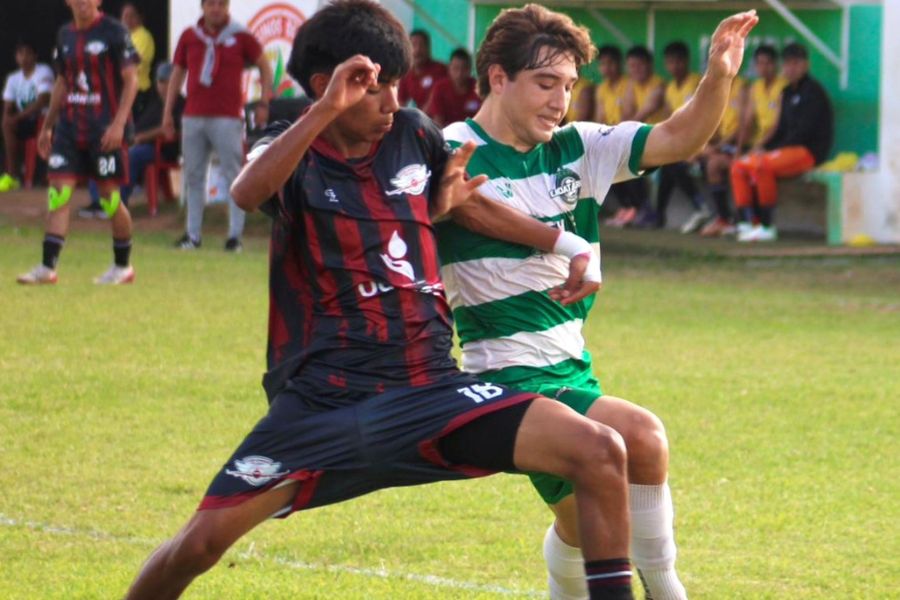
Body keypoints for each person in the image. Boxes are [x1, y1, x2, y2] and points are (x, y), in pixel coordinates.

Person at [124, 2, 637, 599]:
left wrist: (564, 242)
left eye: (397, 84)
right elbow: (246, 191)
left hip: (429, 390)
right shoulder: (287, 137)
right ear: (329, 85)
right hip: (324, 402)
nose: (393, 102)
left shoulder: (413, 133)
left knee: (600, 450)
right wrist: (324, 111)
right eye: (375, 87)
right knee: (198, 546)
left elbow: (466, 204)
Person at [435, 5, 758, 599]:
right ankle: (667, 589)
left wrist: (718, 76)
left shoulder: (579, 146)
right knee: (642, 436)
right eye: (545, 83)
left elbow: (680, 137)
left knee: (587, 530)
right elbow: (467, 206)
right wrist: (568, 241)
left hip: (571, 365)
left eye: (568, 86)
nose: (560, 101)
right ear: (498, 77)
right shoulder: (454, 148)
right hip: (505, 374)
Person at [17, 0, 139, 286]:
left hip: (104, 130)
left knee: (109, 199)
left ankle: (123, 266)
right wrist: (48, 126)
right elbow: (62, 81)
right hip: (69, 129)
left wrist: (119, 124)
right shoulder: (65, 35)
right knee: (58, 194)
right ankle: (47, 267)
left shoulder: (114, 31)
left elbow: (131, 80)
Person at [165, 0, 273, 252]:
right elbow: (177, 74)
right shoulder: (190, 36)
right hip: (193, 115)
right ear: (202, 7)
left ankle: (235, 236)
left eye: (221, 4)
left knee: (234, 176)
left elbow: (265, 67)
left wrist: (264, 102)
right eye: (211, 4)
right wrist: (168, 112)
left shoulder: (240, 36)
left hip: (227, 117)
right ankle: (193, 235)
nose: (216, 9)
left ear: (227, 8)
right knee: (193, 176)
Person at [730, 42, 832, 242]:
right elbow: (780, 129)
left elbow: (803, 133)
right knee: (739, 166)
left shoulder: (814, 92)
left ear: (805, 65)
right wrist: (763, 148)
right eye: (787, 64)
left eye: (796, 64)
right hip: (784, 151)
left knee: (762, 165)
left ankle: (767, 226)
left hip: (808, 152)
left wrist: (770, 151)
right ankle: (748, 222)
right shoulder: (786, 92)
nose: (791, 68)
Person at [84, 62, 184, 210]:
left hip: (161, 149)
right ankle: (98, 201)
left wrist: (141, 138)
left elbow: (169, 130)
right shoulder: (153, 101)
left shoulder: (181, 104)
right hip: (136, 143)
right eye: (160, 81)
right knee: (101, 152)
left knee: (131, 156)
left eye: (166, 81)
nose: (163, 85)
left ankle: (118, 202)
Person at [655, 41, 710, 233]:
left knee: (672, 163)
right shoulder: (670, 87)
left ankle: (699, 207)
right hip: (682, 143)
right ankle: (660, 214)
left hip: (701, 141)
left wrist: (694, 147)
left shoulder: (697, 83)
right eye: (671, 62)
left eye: (679, 61)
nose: (675, 66)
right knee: (666, 163)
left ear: (686, 61)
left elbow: (704, 117)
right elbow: (670, 120)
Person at [592, 45, 641, 229]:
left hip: (628, 135)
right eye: (603, 64)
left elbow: (629, 115)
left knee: (621, 160)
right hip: (610, 136)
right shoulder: (602, 88)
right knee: (600, 161)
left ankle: (635, 207)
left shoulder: (628, 84)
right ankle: (624, 206)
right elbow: (599, 117)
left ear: (619, 64)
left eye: (611, 63)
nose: (607, 68)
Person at [697, 74, 748, 237]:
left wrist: (718, 147)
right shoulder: (717, 88)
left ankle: (735, 219)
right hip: (724, 145)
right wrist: (707, 145)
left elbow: (743, 127)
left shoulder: (742, 88)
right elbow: (715, 126)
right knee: (698, 159)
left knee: (715, 164)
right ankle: (721, 217)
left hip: (741, 146)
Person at [620, 46, 665, 228]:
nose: (636, 70)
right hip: (643, 140)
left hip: (661, 139)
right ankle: (637, 208)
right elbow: (627, 112)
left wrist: (622, 131)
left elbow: (643, 113)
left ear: (649, 65)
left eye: (639, 65)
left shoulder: (659, 85)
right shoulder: (631, 86)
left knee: (631, 158)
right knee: (616, 158)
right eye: (632, 66)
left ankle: (649, 211)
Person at [0, 40, 54, 193]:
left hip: (46, 120)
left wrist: (16, 118)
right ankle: (12, 176)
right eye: (20, 54)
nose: (24, 57)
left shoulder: (43, 71)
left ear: (35, 56)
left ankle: (45, 176)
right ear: (16, 57)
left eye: (28, 53)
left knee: (38, 122)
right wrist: (7, 120)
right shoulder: (13, 78)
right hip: (25, 121)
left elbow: (43, 100)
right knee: (6, 125)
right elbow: (8, 107)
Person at [423, 47, 481, 127]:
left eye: (464, 69)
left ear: (470, 69)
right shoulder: (440, 88)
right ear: (449, 68)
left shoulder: (478, 88)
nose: (459, 74)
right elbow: (438, 122)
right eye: (455, 68)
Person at [398, 29, 447, 108]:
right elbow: (401, 102)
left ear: (428, 48)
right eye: (414, 45)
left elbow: (434, 101)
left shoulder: (441, 70)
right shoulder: (406, 74)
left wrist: (421, 114)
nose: (418, 50)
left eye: (422, 45)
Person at [121, 2, 155, 118]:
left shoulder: (143, 36)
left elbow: (134, 65)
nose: (127, 20)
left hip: (138, 91)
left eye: (132, 16)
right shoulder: (124, 36)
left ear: (140, 18)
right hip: (124, 91)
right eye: (125, 16)